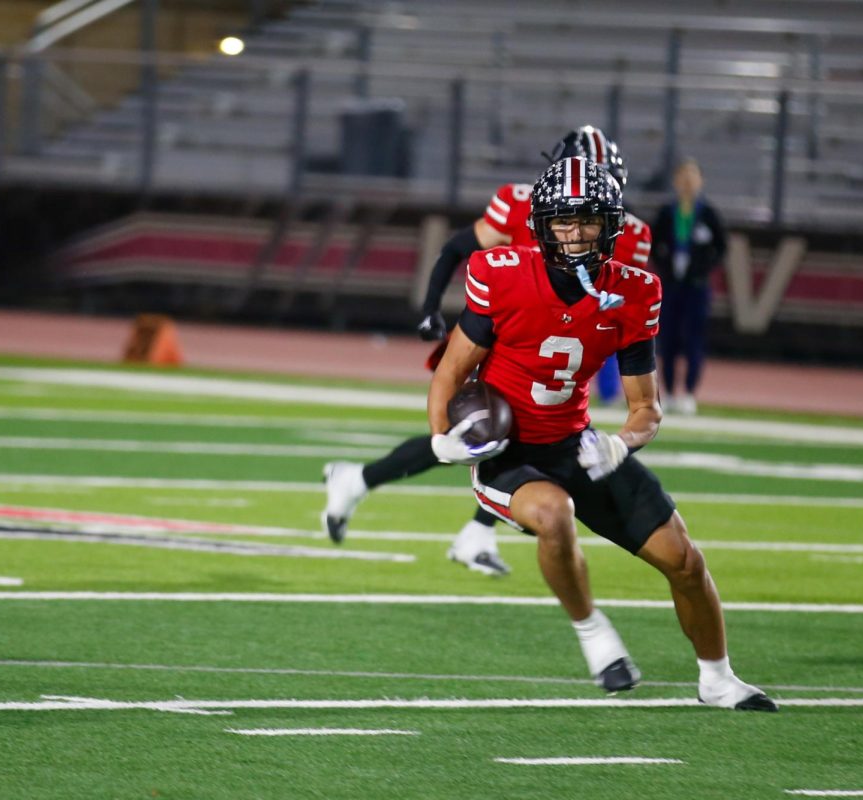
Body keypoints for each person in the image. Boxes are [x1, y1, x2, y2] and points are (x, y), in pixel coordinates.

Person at [427, 155, 776, 710]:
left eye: (589, 219)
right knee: (554, 514)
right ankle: (594, 634)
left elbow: (646, 407)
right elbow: (450, 368)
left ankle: (718, 678)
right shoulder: (502, 273)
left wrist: (620, 442)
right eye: (563, 220)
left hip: (578, 444)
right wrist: (441, 435)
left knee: (684, 559)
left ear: (611, 224)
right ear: (541, 224)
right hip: (510, 451)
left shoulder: (634, 292)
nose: (575, 233)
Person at [322, 126, 651, 578]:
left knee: (512, 435)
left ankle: (374, 486)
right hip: (501, 336)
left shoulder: (631, 233)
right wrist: (431, 305)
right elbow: (460, 246)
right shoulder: (520, 202)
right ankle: (399, 497)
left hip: (559, 348)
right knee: (486, 429)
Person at [650, 158, 726, 415]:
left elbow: (722, 247)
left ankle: (690, 392)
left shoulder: (708, 214)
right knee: (668, 338)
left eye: (693, 177)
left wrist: (703, 268)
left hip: (696, 287)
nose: (687, 182)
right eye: (683, 177)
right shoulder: (666, 212)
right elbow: (653, 241)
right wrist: (665, 267)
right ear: (675, 181)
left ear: (701, 181)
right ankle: (670, 392)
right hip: (671, 286)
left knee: (694, 340)